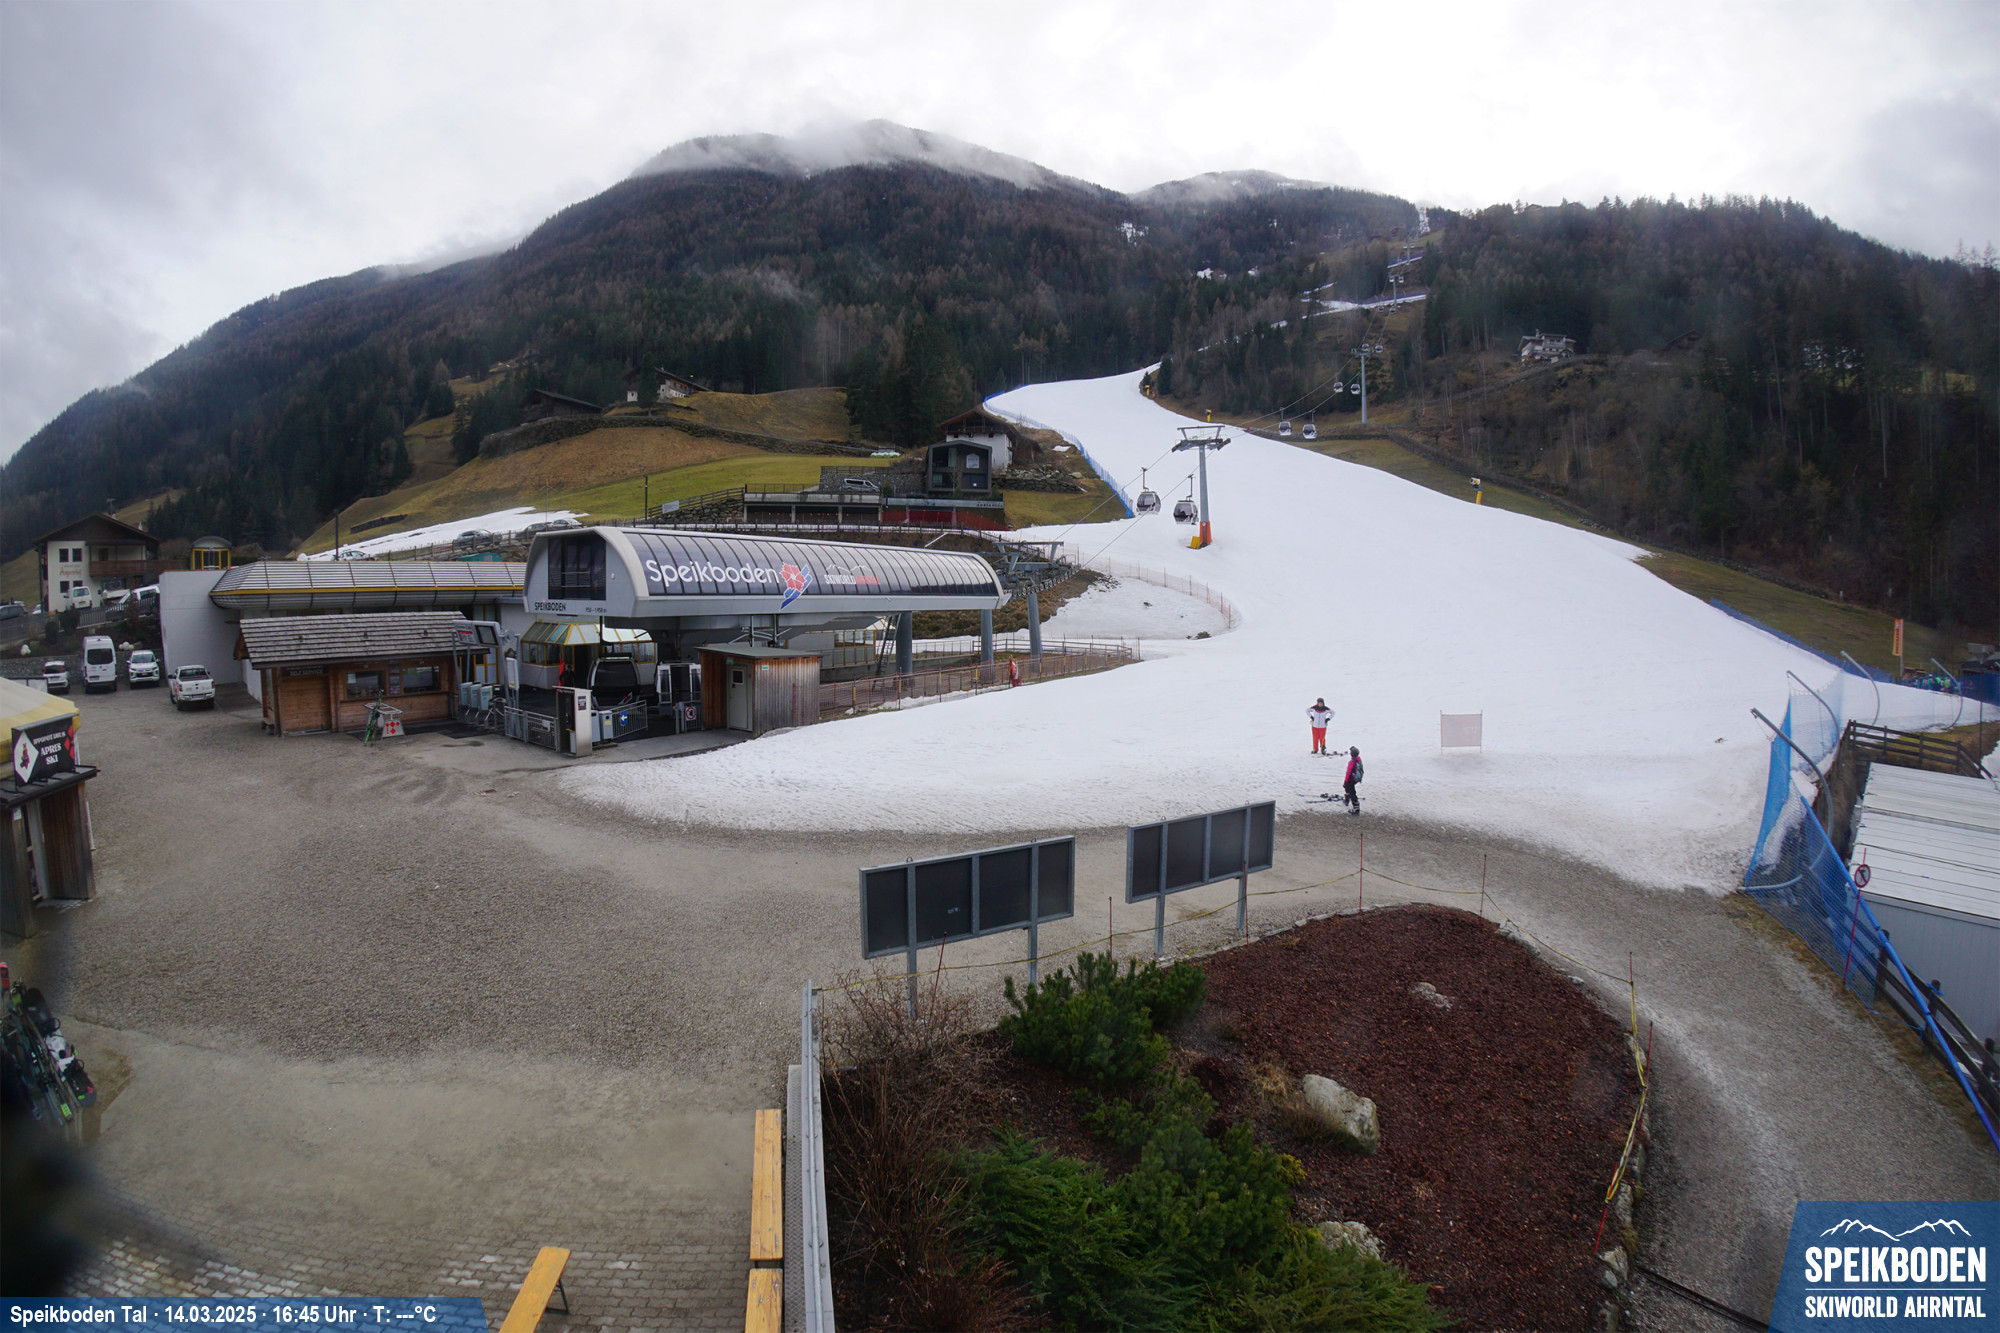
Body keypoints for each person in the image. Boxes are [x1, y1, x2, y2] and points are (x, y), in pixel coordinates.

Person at [1342, 746, 1364, 814]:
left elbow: (1348, 772)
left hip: (1351, 779)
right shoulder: (1358, 760)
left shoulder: (1352, 762)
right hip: (1355, 779)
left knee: (1352, 792)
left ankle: (1356, 808)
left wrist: (1345, 781)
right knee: (1348, 788)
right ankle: (1347, 799)